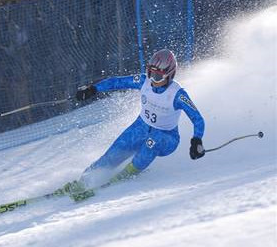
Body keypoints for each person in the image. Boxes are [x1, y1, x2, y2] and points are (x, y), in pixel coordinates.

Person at [58, 49, 206, 201]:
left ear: (170, 74)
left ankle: (124, 176)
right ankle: (84, 181)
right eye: (150, 73)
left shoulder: (177, 94)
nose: (152, 80)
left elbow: (198, 119)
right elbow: (117, 82)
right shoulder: (144, 81)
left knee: (152, 141)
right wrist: (93, 88)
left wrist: (196, 140)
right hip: (140, 128)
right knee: (111, 156)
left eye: (157, 76)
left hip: (167, 138)